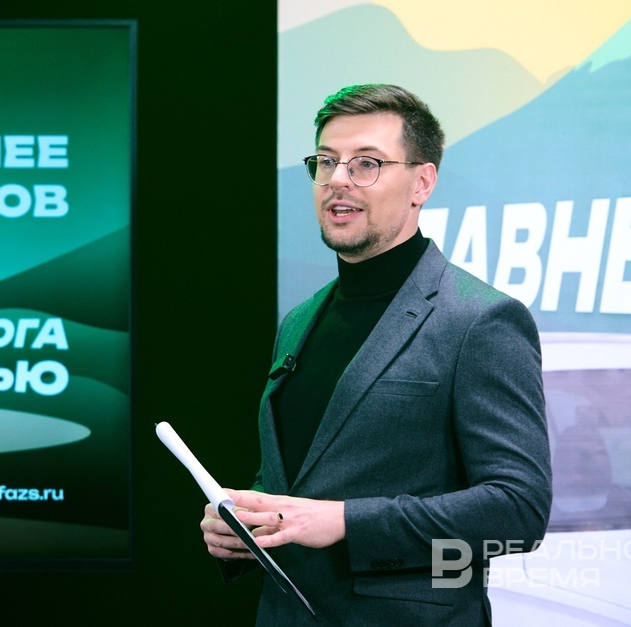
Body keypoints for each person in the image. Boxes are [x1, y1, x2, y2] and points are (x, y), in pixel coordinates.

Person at [200, 84, 552, 625]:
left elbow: (518, 511)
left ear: (422, 183)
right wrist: (250, 521)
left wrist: (345, 522)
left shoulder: (480, 319)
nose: (338, 179)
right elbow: (304, 483)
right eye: (326, 162)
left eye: (366, 163)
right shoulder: (299, 320)